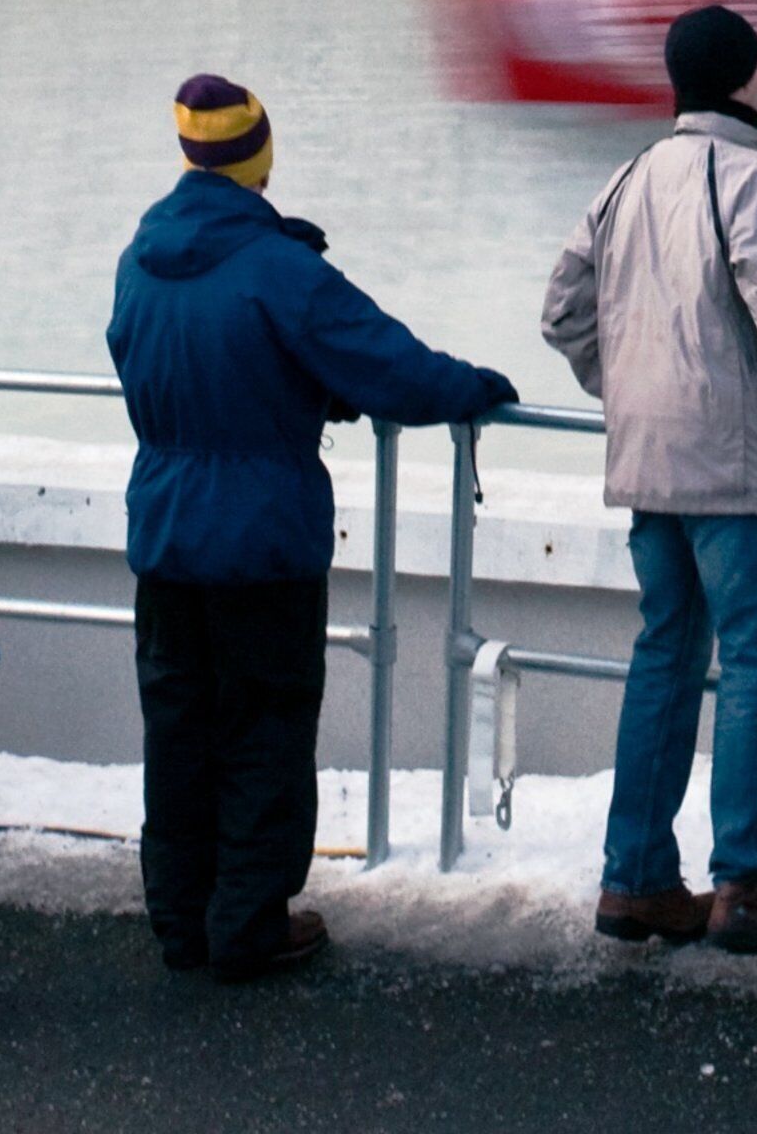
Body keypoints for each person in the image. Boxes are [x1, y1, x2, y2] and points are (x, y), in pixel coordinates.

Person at [115, 74, 514, 981]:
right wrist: (474, 386)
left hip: (168, 531)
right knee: (265, 726)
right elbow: (389, 368)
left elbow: (155, 362)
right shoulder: (282, 268)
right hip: (263, 539)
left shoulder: (139, 256)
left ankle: (181, 919)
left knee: (178, 729)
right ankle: (247, 925)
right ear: (260, 156)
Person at [540, 6, 757, 958]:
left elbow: (563, 313)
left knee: (666, 659)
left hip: (651, 469)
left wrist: (633, 386)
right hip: (735, 473)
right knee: (755, 659)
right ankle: (747, 880)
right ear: (748, 79)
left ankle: (635, 879)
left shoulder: (625, 177)